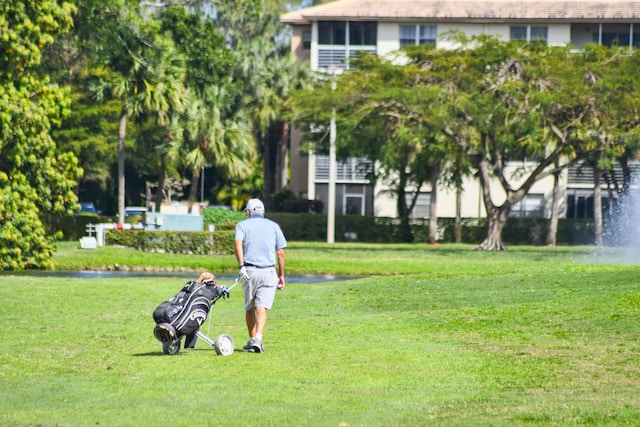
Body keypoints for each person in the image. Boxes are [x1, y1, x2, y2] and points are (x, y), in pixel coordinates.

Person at [234, 198, 287, 353]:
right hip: (269, 271)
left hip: (249, 271)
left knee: (250, 308)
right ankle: (258, 339)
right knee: (262, 307)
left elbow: (238, 244)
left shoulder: (242, 225)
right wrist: (281, 275)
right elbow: (281, 253)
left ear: (249, 212)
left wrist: (241, 266)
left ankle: (253, 340)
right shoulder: (274, 226)